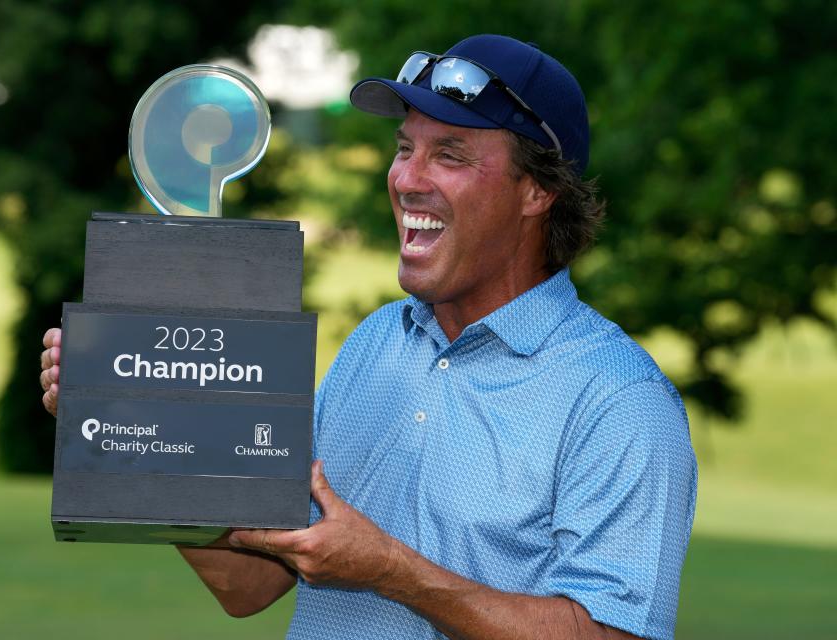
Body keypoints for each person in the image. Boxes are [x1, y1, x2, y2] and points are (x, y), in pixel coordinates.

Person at [40, 34, 696, 640]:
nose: (408, 178)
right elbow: (251, 581)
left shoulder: (619, 400)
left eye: (450, 155)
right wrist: (133, 413)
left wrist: (392, 571)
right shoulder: (375, 344)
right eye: (405, 148)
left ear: (538, 191)